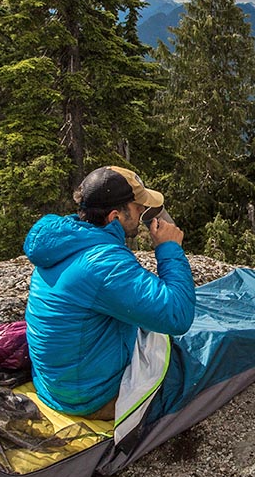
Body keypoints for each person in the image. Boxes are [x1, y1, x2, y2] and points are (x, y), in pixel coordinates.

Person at [22, 166, 195, 420]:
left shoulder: (64, 241)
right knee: (194, 357)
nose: (142, 215)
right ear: (115, 216)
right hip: (92, 398)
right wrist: (169, 249)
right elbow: (178, 316)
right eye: (138, 209)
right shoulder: (103, 263)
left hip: (58, 384)